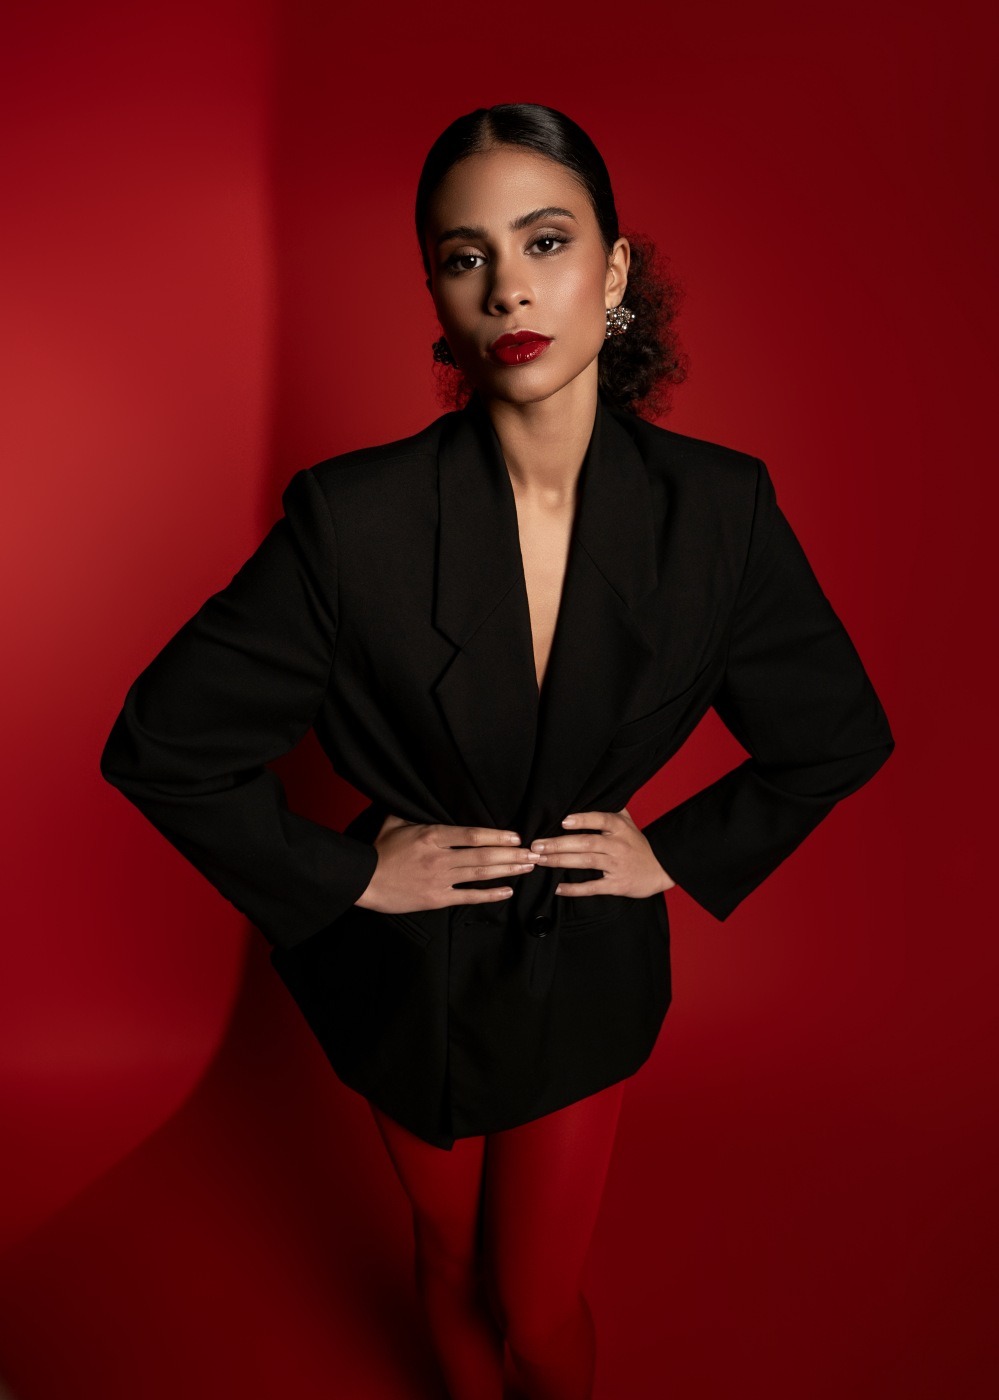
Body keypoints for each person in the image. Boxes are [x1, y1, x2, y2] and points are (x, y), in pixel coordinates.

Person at [100, 103, 895, 1400]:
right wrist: (353, 877)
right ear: (437, 292)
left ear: (615, 270)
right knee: (450, 1256)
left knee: (535, 1297)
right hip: (404, 967)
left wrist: (672, 856)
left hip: (584, 956)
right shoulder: (352, 519)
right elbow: (163, 746)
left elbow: (833, 733)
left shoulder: (719, 510)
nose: (509, 286)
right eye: (465, 256)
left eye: (546, 241)